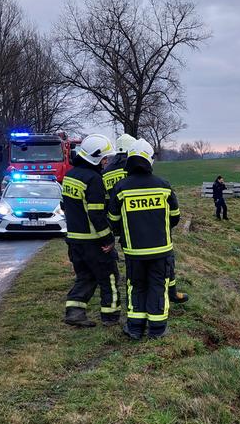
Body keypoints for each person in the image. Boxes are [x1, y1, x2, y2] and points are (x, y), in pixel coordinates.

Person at [104, 132, 189, 306]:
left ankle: (137, 315)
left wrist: (119, 230)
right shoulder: (148, 177)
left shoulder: (106, 173)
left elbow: (108, 204)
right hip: (155, 230)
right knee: (164, 266)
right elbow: (174, 216)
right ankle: (170, 293)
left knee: (136, 277)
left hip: (127, 230)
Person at [61, 134, 121, 328]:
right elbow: (96, 214)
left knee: (85, 276)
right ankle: (111, 317)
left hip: (74, 240)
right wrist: (108, 240)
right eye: (104, 158)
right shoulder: (93, 179)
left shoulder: (70, 176)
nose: (106, 162)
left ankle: (75, 311)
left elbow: (65, 206)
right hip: (93, 241)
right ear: (95, 157)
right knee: (110, 277)